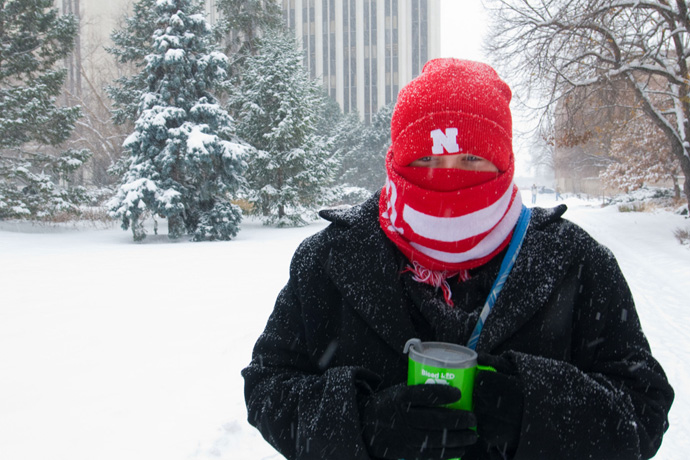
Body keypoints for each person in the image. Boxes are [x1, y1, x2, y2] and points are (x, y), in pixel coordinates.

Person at [242, 58, 673, 460]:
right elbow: (267, 386)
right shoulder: (329, 259)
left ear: (503, 159)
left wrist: (534, 411)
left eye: (471, 158)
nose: (448, 176)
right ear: (397, 158)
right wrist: (362, 422)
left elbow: (644, 410)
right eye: (427, 158)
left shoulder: (574, 261)